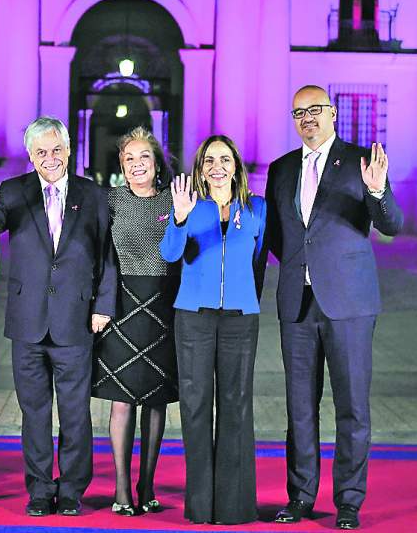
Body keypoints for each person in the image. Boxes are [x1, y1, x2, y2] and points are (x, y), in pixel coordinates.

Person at [0, 116, 116, 517]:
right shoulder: (14, 192)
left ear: (69, 149)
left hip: (76, 321)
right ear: (30, 155)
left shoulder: (94, 195)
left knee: (76, 414)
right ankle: (41, 489)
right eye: (41, 151)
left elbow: (106, 256)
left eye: (57, 149)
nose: (50, 158)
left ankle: (72, 490)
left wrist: (103, 305)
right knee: (34, 413)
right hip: (28, 322)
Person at [265, 85, 403, 530]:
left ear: (333, 113)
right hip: (297, 304)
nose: (307, 118)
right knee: (300, 408)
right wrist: (302, 266)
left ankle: (348, 500)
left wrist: (377, 192)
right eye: (298, 112)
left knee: (352, 407)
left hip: (349, 304)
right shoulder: (281, 168)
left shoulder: (361, 161)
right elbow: (278, 236)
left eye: (315, 110)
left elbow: (392, 225)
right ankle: (301, 496)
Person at [159, 135, 266, 525]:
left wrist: (243, 295)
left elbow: (258, 261)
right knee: (195, 406)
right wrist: (179, 218)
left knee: (236, 406)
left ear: (236, 166)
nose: (217, 167)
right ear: (200, 170)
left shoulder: (256, 208)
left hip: (240, 318)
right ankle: (201, 505)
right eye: (209, 161)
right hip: (193, 317)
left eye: (224, 159)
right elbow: (170, 253)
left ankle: (234, 507)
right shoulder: (190, 205)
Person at [91, 127, 177, 516]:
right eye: (129, 158)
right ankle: (122, 489)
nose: (137, 164)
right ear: (121, 166)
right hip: (122, 306)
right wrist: (100, 305)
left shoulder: (175, 199)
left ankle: (148, 484)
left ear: (157, 163)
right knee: (122, 400)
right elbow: (99, 258)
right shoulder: (109, 201)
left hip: (163, 307)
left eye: (144, 157)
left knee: (157, 400)